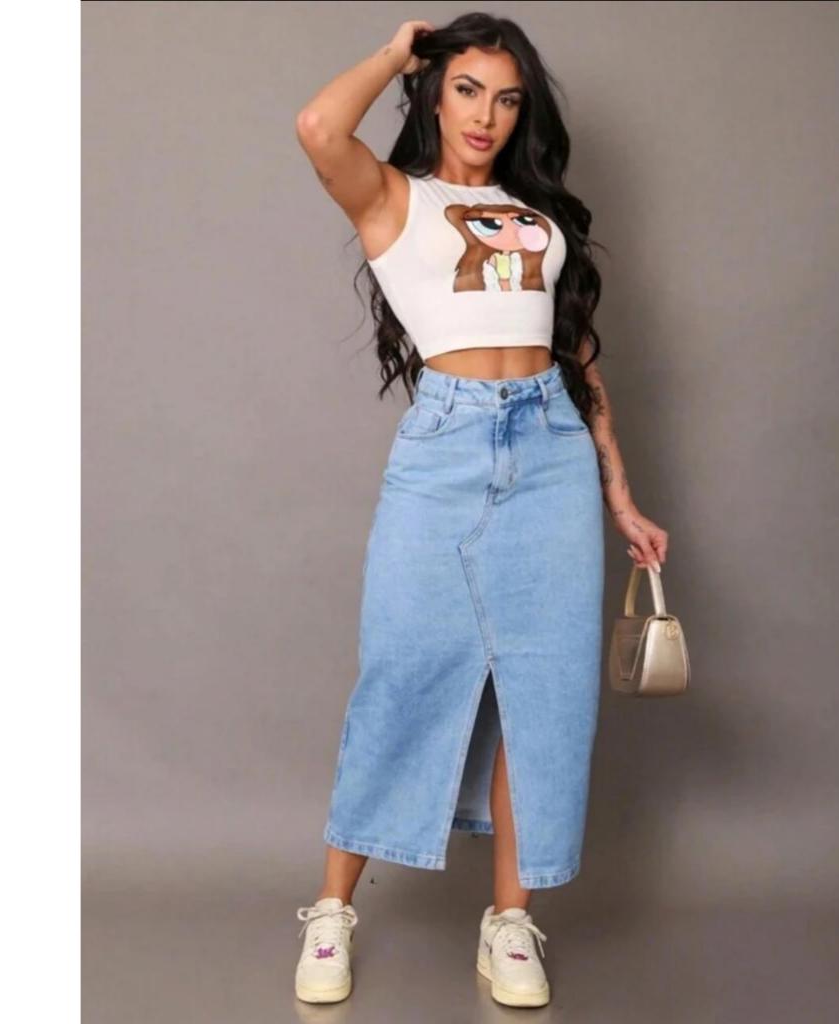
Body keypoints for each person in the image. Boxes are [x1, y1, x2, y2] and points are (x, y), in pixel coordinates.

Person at [292, 13, 668, 1008]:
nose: (485, 115)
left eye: (506, 98)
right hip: (446, 449)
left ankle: (509, 921)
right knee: (402, 672)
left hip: (550, 451)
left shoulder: (541, 217)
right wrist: (397, 49)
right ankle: (330, 911)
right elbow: (318, 127)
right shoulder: (393, 198)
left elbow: (578, 357)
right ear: (432, 93)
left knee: (542, 691)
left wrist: (619, 492)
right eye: (466, 89)